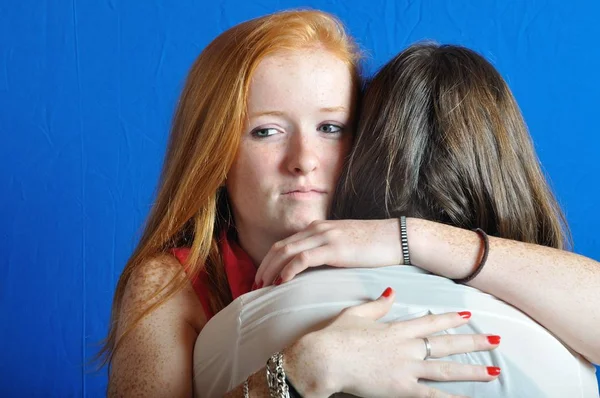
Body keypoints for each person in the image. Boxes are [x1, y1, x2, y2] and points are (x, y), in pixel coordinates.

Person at [102, 9, 600, 397]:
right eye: (266, 131)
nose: (304, 160)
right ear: (215, 151)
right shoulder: (171, 283)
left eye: (330, 128)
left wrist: (413, 237)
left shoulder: (398, 242)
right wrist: (304, 370)